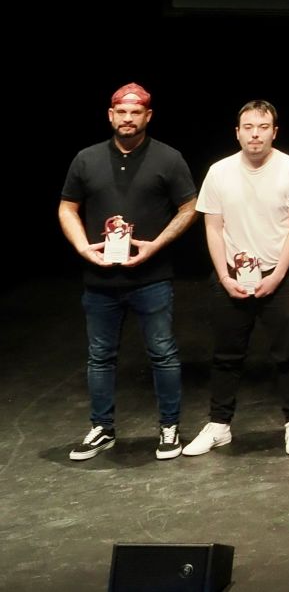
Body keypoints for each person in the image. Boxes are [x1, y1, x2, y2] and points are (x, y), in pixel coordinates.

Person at [59, 83, 198, 461]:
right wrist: (82, 246)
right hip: (100, 279)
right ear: (110, 114)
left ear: (147, 116)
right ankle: (101, 428)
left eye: (136, 113)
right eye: (122, 112)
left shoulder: (168, 159)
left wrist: (156, 244)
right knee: (100, 356)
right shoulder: (86, 159)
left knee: (163, 353)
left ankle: (169, 428)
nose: (128, 119)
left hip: (151, 278)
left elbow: (189, 206)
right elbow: (67, 207)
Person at [182, 101, 289, 458]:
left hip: (281, 275)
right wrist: (225, 277)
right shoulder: (219, 171)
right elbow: (213, 228)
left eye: (263, 126)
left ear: (275, 131)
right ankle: (219, 425)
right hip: (232, 276)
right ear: (237, 132)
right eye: (248, 127)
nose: (255, 133)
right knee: (226, 354)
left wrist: (278, 276)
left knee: (288, 353)